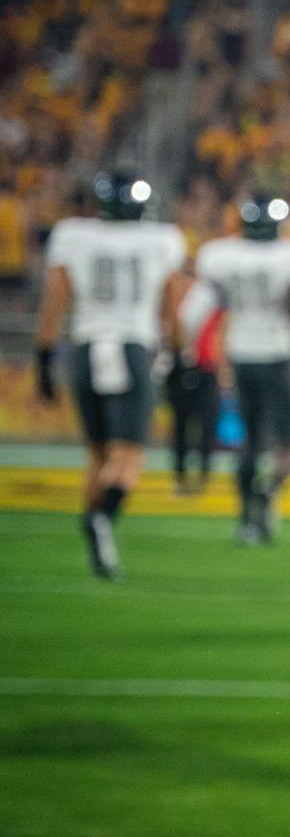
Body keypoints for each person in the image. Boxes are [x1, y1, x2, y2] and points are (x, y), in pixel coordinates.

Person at [33, 172, 188, 578]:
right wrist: (177, 355)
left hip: (85, 346)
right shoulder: (161, 240)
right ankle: (102, 519)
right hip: (132, 345)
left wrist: (44, 357)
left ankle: (99, 539)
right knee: (129, 454)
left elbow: (54, 300)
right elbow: (172, 308)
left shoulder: (73, 235)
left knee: (97, 456)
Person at [195, 195, 290, 545]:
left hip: (241, 352)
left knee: (249, 441)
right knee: (289, 446)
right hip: (279, 353)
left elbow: (207, 305)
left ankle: (246, 514)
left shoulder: (222, 255)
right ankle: (267, 491)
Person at [167, 266, 224, 495]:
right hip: (180, 366)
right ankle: (180, 476)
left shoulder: (206, 297)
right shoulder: (175, 300)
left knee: (206, 424)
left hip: (206, 367)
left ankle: (202, 476)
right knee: (181, 425)